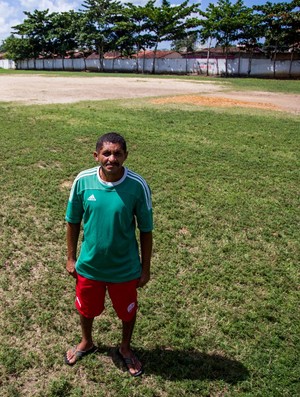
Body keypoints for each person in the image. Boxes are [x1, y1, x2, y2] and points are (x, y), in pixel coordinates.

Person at [64, 132, 153, 377]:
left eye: (117, 153)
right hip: (90, 266)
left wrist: (145, 268)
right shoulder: (83, 181)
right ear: (96, 156)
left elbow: (146, 230)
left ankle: (125, 347)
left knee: (127, 311)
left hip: (124, 268)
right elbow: (72, 221)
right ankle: (86, 342)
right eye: (106, 153)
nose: (111, 158)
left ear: (125, 155)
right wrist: (71, 258)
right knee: (86, 309)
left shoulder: (137, 185)